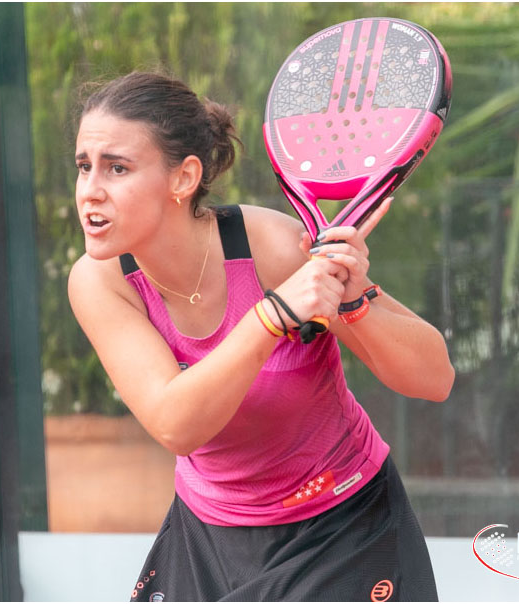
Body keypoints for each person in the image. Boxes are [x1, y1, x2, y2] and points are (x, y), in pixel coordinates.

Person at [68, 71, 454, 602]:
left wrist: (354, 297)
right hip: (207, 533)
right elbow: (176, 424)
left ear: (184, 178)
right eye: (84, 166)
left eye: (117, 168)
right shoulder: (99, 281)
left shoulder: (273, 246)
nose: (90, 190)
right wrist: (271, 317)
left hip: (341, 528)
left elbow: (434, 379)